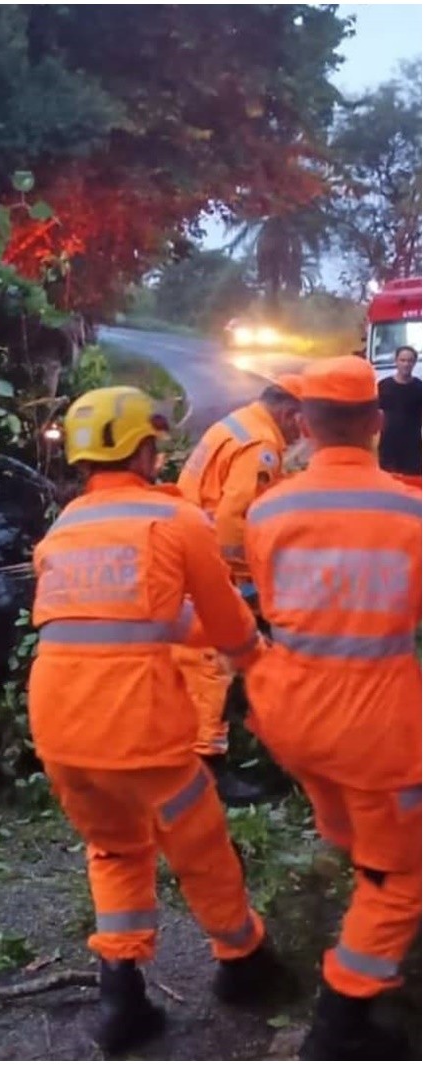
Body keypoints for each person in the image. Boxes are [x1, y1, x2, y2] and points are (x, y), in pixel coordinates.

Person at [28, 386, 292, 1055]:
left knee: (115, 848)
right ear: (142, 448)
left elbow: (141, 616)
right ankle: (243, 962)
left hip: (59, 727)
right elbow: (228, 622)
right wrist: (264, 664)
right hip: (137, 726)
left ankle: (120, 996)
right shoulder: (174, 522)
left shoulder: (63, 530)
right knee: (200, 846)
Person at [243, 356, 422, 1059]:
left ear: (305, 425)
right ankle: (341, 1015)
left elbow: (267, 601)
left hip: (288, 713)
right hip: (375, 725)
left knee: (353, 821)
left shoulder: (268, 509)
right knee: (406, 873)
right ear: (378, 423)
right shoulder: (414, 510)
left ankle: (367, 873)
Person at [171, 377, 305, 804]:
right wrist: (244, 583)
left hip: (187, 548)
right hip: (214, 564)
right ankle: (210, 770)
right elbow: (235, 519)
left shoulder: (239, 424)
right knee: (215, 662)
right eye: (301, 424)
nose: (301, 434)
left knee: (202, 662)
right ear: (288, 413)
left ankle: (224, 750)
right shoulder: (261, 443)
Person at [376, 345, 420, 479]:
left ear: (414, 363)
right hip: (388, 446)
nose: (406, 364)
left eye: (410, 361)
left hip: (413, 447)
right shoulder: (383, 386)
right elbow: (376, 414)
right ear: (396, 361)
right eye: (403, 360)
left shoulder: (420, 388)